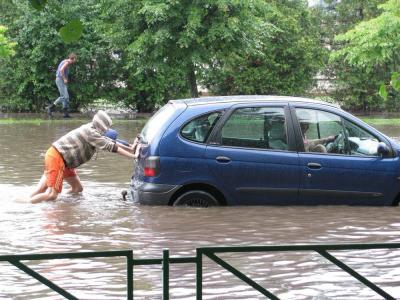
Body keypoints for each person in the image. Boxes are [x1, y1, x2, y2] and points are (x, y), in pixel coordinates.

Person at [29, 110, 140, 204]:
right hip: (57, 158)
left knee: (77, 189)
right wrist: (133, 156)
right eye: (107, 127)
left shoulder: (94, 129)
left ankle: (55, 201)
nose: (107, 129)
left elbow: (112, 142)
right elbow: (112, 147)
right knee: (51, 195)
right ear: (102, 126)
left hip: (65, 161)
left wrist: (131, 148)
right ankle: (23, 204)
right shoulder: (91, 133)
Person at [46, 53, 77, 118]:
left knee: (67, 97)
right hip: (60, 80)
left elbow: (58, 70)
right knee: (64, 97)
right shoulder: (68, 62)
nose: (75, 60)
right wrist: (64, 79)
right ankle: (50, 108)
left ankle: (65, 114)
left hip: (60, 80)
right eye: (75, 59)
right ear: (73, 58)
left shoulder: (64, 61)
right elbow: (61, 70)